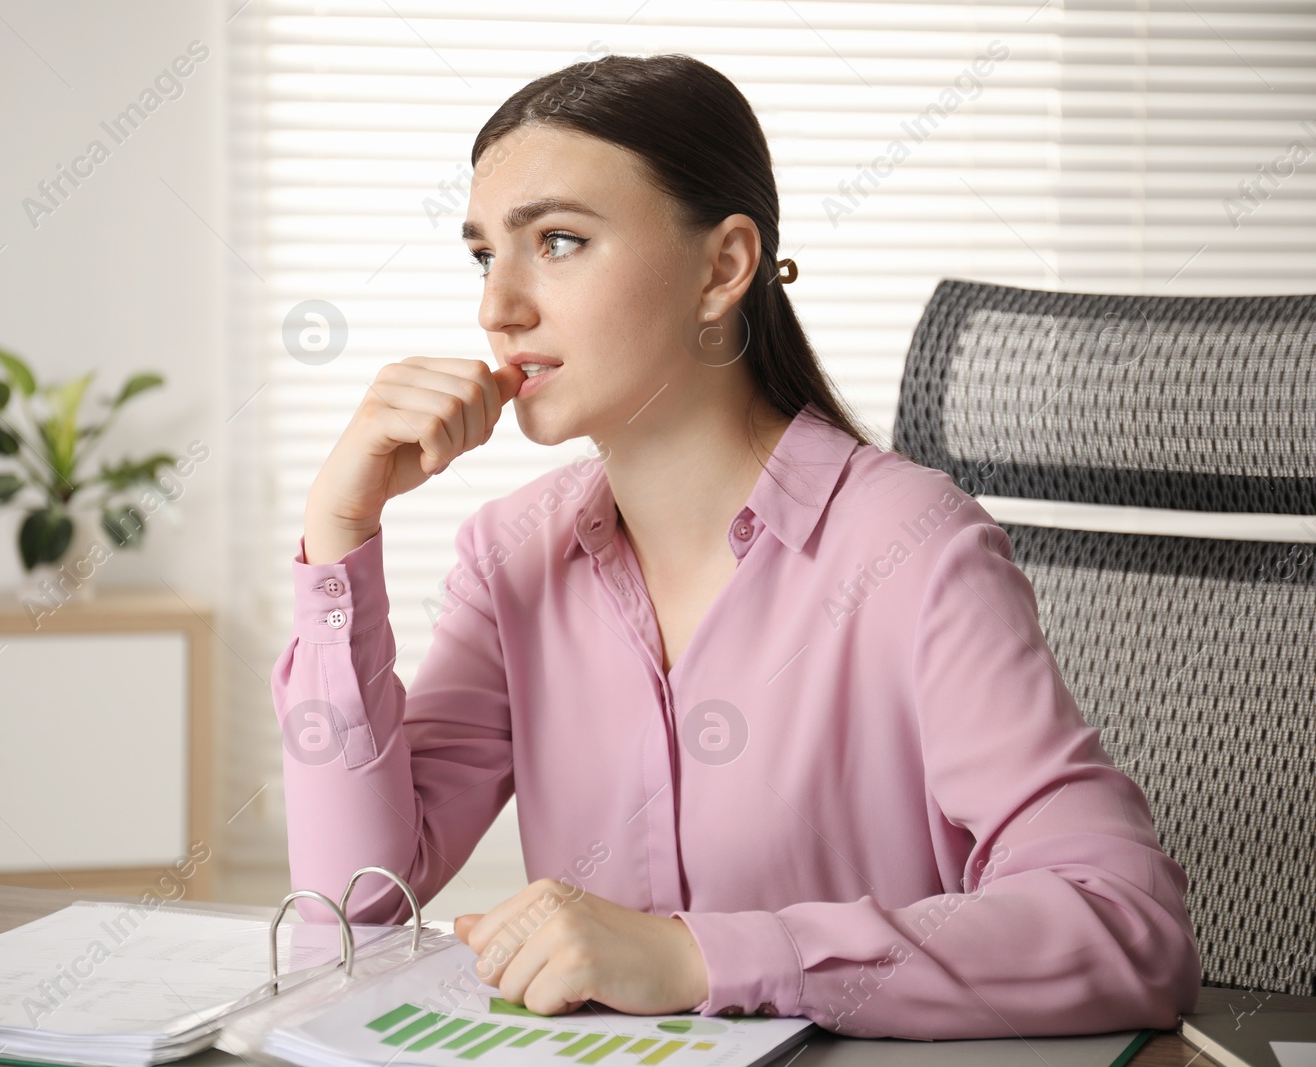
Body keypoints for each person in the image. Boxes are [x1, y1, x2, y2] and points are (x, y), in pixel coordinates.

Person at [270, 53, 1200, 1039]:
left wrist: (695, 952)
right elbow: (349, 907)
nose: (498, 305)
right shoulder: (514, 556)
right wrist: (339, 535)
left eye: (558, 240)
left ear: (723, 266)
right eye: (482, 254)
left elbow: (1126, 924)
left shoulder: (914, 549)